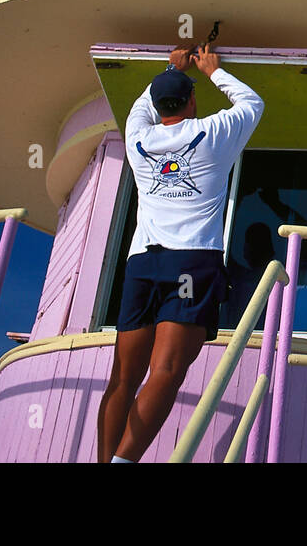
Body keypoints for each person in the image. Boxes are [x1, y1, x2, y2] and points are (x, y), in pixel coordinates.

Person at [96, 42, 264, 463]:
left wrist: (172, 68)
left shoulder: (137, 137)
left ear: (157, 107)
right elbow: (252, 103)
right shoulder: (212, 134)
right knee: (167, 370)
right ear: (191, 101)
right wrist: (212, 70)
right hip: (191, 261)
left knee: (123, 377)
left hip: (141, 263)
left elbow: (141, 106)